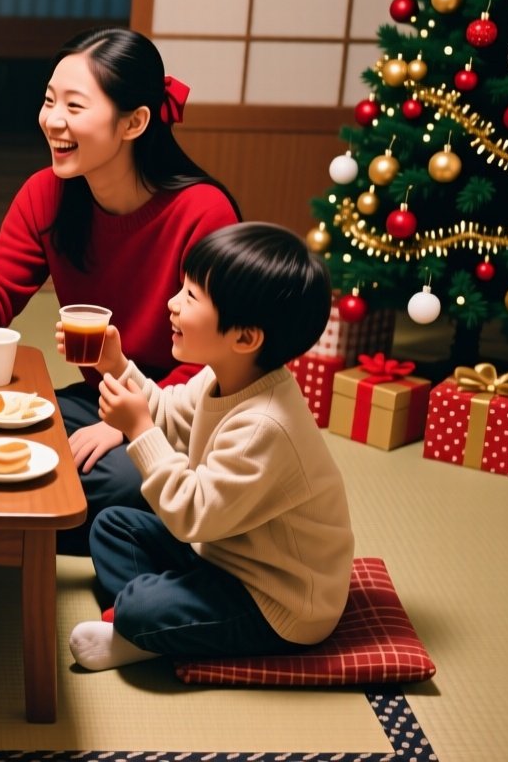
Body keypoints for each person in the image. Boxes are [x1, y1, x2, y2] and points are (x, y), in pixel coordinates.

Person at [0, 27, 240, 553]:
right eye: (48, 101)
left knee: (123, 483)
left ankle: (0, 520)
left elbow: (223, 363)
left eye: (75, 105)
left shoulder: (202, 214)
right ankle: (16, 516)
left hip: (186, 415)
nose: (53, 121)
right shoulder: (48, 194)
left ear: (134, 122)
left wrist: (135, 420)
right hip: (99, 400)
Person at [64, 223, 352, 669]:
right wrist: (115, 364)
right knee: (112, 527)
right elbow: (166, 410)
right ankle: (159, 625)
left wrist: (138, 431)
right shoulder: (224, 375)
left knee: (142, 607)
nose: (172, 304)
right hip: (222, 556)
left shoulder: (265, 425)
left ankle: (140, 631)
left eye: (191, 297)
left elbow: (191, 516)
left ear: (244, 338)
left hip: (276, 599)